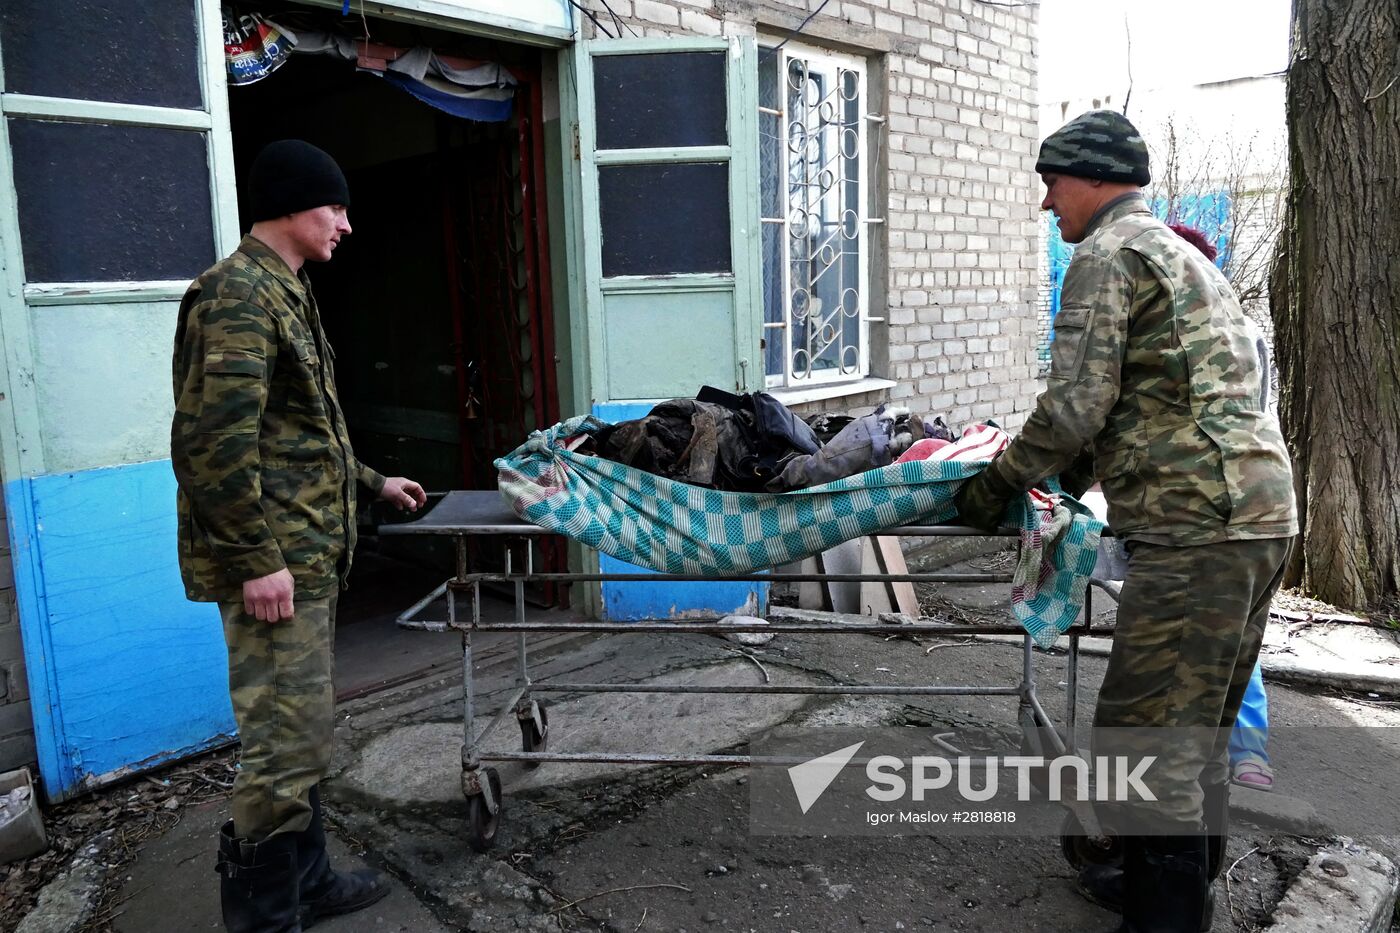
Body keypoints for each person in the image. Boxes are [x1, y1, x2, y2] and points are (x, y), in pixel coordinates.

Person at [955, 110, 1297, 933]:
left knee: (1146, 735)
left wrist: (992, 488)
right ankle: (1162, 884)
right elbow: (1128, 405)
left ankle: (1165, 917)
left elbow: (1073, 406)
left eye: (1051, 183)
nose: (1047, 205)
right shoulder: (1179, 255)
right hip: (1259, 512)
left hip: (1196, 526)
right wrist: (1063, 484)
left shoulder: (1107, 255)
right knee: (1200, 719)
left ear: (1095, 178)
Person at [172, 139, 427, 932]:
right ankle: (263, 917)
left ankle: (307, 885)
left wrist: (371, 481)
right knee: (280, 747)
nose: (346, 225)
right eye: (335, 207)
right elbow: (213, 445)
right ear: (289, 203)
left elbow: (301, 429)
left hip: (306, 554)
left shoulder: (286, 288)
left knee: (302, 735)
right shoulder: (238, 295)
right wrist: (255, 561)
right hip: (275, 564)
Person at [1166, 223, 1276, 794]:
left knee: (1230, 636)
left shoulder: (1230, 331)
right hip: (1205, 503)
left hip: (1226, 505)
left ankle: (1244, 749)